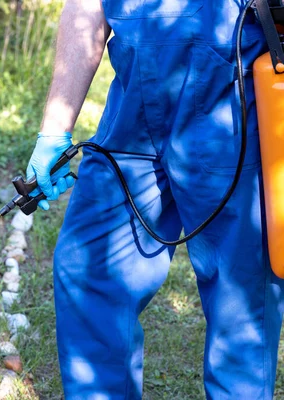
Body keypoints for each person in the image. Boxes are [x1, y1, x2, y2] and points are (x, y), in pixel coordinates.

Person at [26, 0, 284, 398]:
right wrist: (53, 130)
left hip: (232, 105)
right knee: (88, 271)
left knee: (241, 297)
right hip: (132, 108)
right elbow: (85, 6)